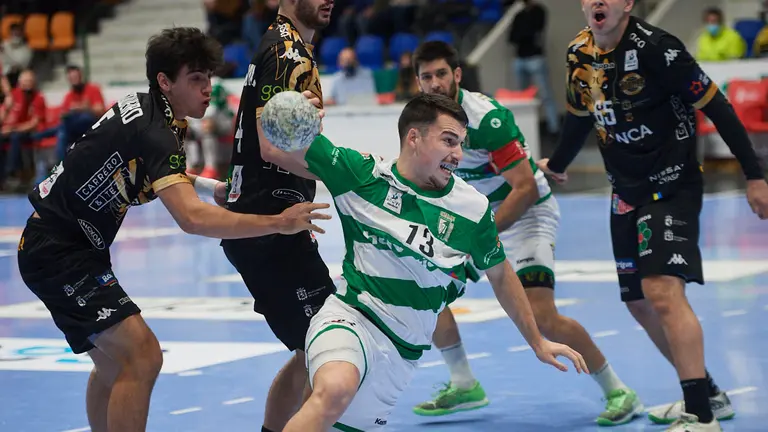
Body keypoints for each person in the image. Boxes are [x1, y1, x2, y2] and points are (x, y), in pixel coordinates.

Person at [15, 27, 330, 432]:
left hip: (63, 244)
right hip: (58, 251)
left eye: (209, 78)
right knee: (142, 356)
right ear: (165, 81)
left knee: (113, 364)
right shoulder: (157, 132)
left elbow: (141, 167)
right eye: (196, 79)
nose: (207, 89)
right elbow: (192, 219)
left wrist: (204, 185)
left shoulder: (146, 110)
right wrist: (279, 223)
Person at [278, 92, 588, 431]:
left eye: (460, 144)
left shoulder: (472, 208)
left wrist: (537, 340)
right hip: (353, 317)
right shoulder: (362, 175)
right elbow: (284, 140)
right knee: (334, 389)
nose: (458, 154)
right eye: (449, 141)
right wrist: (296, 111)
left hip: (402, 354)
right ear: (415, 137)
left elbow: (500, 275)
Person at [538, 1, 768, 430]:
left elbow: (717, 107)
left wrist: (755, 175)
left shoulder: (659, 49)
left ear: (627, 4)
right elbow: (579, 119)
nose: (597, 2)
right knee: (640, 304)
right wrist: (559, 165)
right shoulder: (578, 54)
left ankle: (699, 418)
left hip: (672, 183)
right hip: (625, 191)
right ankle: (707, 395)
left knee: (661, 291)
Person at [410, 40, 642, 426]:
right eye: (426, 77)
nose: (434, 83)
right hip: (475, 218)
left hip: (526, 213)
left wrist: (480, 239)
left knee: (541, 315)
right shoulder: (421, 122)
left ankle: (619, 390)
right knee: (424, 287)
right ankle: (464, 383)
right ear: (417, 82)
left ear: (457, 75)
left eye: (441, 74)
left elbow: (525, 188)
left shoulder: (486, 119)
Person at [220, 1, 335, 431]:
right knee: (331, 347)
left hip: (272, 225)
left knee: (312, 351)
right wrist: (348, 176)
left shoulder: (284, 46)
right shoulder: (287, 52)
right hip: (270, 226)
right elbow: (273, 147)